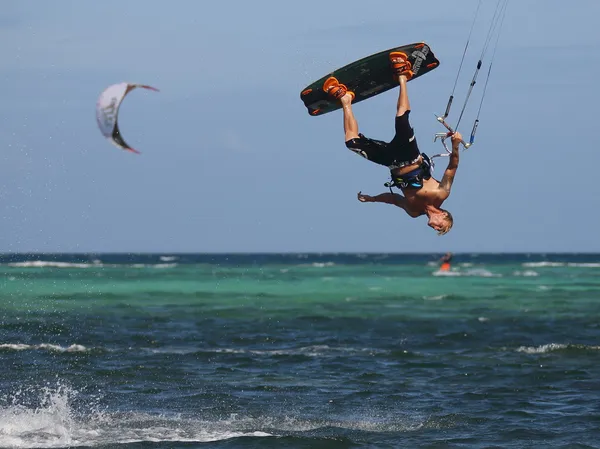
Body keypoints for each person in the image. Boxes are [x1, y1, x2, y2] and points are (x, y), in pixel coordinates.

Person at [323, 51, 462, 236]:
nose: (434, 228)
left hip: (391, 162)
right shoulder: (441, 194)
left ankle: (345, 99)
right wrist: (455, 144)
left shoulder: (413, 211)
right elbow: (452, 168)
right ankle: (403, 75)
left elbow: (394, 199)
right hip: (410, 157)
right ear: (444, 215)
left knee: (352, 142)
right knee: (401, 120)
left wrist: (372, 199)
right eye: (440, 227)